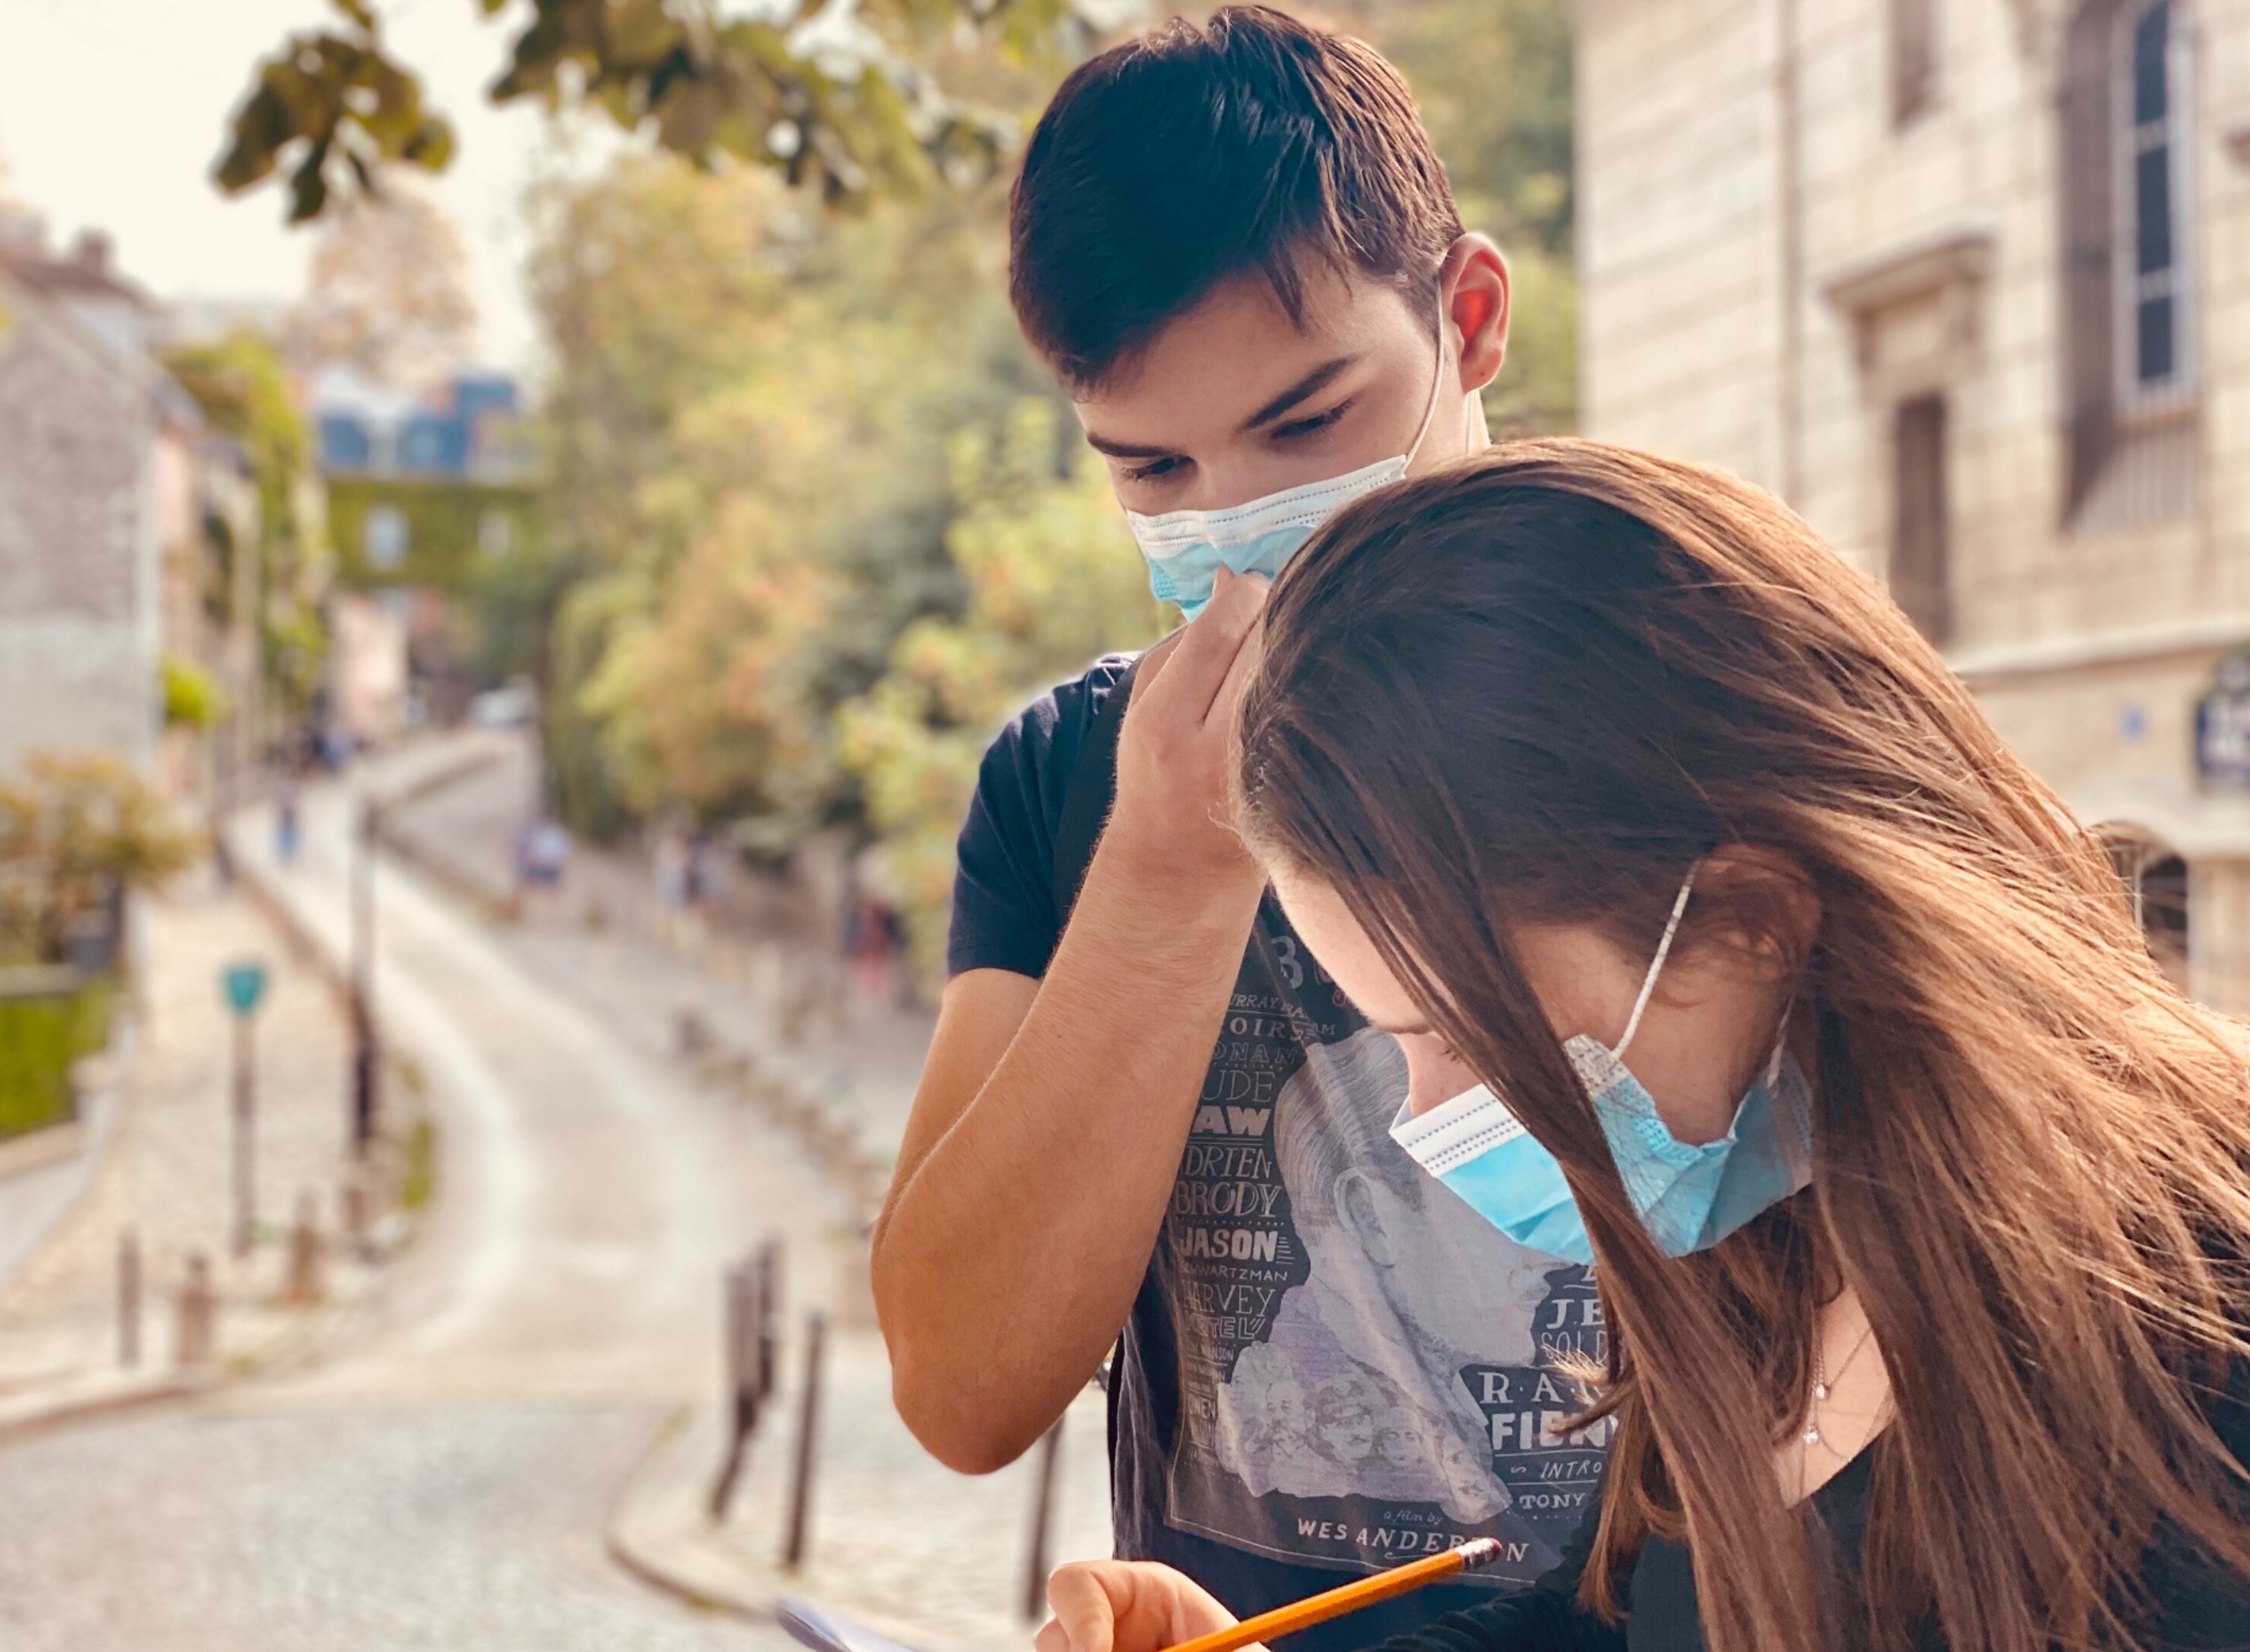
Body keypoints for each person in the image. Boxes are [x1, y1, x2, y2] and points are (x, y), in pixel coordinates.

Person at [1034, 441, 2250, 1652]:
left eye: (1462, 1033)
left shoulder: (2201, 1355)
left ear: (1750, 924)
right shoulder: (1751, 1237)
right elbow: (1619, 1614)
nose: (1422, 1117)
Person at [871, 8, 1545, 1641]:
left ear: (1466, 318)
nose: (1234, 514)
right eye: (1152, 467)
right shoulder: (1070, 775)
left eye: (1307, 425)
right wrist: (1171, 872)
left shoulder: (1690, 676)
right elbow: (961, 1389)